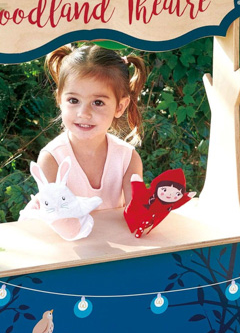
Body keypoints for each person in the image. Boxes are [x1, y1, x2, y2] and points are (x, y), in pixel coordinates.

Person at [22, 44, 147, 235]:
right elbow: (58, 224)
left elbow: (138, 218)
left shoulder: (127, 158)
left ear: (120, 106)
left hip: (118, 247)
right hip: (69, 248)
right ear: (60, 100)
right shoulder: (52, 159)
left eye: (98, 102)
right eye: (73, 100)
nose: (84, 113)